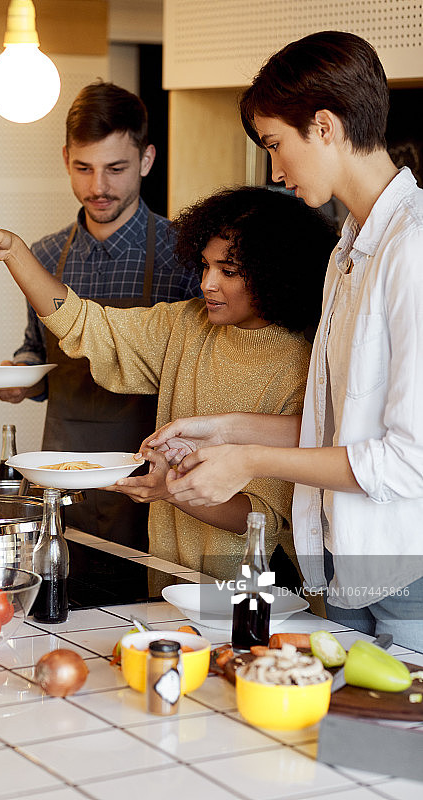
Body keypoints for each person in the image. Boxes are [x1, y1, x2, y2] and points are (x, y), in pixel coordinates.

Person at [146, 31, 423, 650]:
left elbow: (409, 460)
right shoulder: (349, 248)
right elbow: (341, 427)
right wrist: (222, 430)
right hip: (348, 565)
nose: (275, 169)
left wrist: (250, 460)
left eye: (276, 145)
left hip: (407, 572)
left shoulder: (413, 250)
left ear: (324, 127)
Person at [0, 185, 336, 580]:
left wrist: (169, 489)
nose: (206, 284)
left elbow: (264, 520)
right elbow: (86, 325)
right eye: (205, 265)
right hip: (167, 578)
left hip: (248, 596)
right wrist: (15, 253)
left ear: (274, 274)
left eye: (228, 272)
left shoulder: (300, 368)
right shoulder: (186, 324)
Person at [0, 81, 201, 549]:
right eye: (83, 168)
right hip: (60, 478)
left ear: (146, 160)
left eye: (116, 169)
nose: (98, 187)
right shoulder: (40, 257)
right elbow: (36, 347)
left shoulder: (186, 255)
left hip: (149, 480)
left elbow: (201, 375)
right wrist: (21, 375)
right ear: (66, 158)